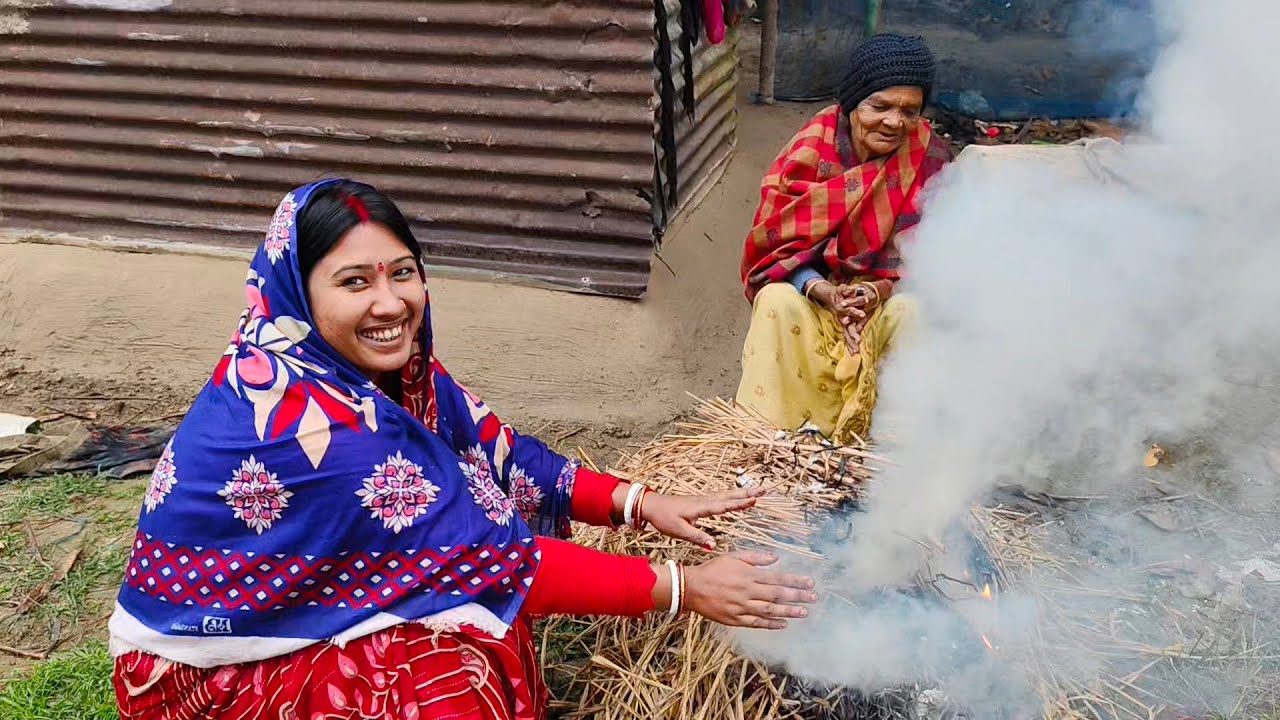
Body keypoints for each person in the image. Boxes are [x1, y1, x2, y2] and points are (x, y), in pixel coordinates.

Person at [109, 180, 818, 720]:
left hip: (283, 618)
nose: (390, 303)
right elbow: (498, 568)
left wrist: (643, 503)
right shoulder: (309, 419)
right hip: (206, 670)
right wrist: (687, 589)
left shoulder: (380, 375)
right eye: (354, 282)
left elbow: (506, 457)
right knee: (450, 670)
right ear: (298, 291)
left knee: (474, 621)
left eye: (403, 271)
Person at [735, 34, 953, 442]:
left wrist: (878, 291)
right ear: (853, 104)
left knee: (916, 313)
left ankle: (893, 449)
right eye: (881, 106)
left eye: (910, 110)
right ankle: (774, 443)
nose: (895, 122)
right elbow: (773, 251)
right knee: (776, 302)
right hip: (816, 300)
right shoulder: (810, 151)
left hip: (886, 299)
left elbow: (940, 261)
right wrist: (820, 290)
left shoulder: (931, 157)